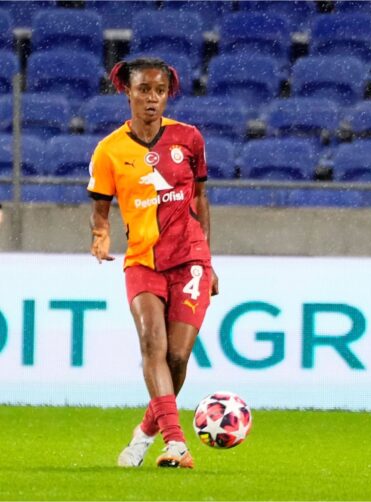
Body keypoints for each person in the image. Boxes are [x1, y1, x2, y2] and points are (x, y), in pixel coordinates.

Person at [87, 57, 218, 469]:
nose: (152, 98)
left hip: (190, 259)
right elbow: (100, 209)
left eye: (160, 91)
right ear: (128, 91)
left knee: (177, 357)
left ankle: (144, 434)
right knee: (152, 344)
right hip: (142, 261)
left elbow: (201, 198)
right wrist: (100, 235)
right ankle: (176, 443)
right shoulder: (109, 150)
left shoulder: (189, 138)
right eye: (144, 89)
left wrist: (208, 259)